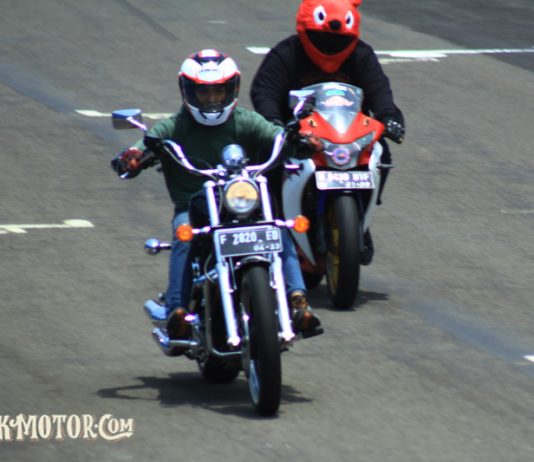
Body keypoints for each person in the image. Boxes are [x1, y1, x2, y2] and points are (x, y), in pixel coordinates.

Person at [111, 49, 322, 343]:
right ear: (186, 90)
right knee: (184, 234)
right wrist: (133, 157)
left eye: (218, 92)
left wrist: (301, 140)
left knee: (277, 227)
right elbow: (146, 144)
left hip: (242, 201)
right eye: (203, 93)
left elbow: (277, 136)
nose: (211, 99)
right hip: (194, 205)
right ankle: (177, 311)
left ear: (232, 89)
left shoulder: (246, 120)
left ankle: (298, 301)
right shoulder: (174, 126)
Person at [250, 0, 405, 264]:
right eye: (323, 38)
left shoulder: (362, 54)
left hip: (349, 134)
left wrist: (389, 117)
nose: (330, 45)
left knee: (383, 154)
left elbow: (379, 90)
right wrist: (273, 122)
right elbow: (265, 91)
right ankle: (269, 219)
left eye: (338, 40)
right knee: (265, 158)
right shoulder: (286, 53)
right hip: (297, 134)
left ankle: (360, 218)